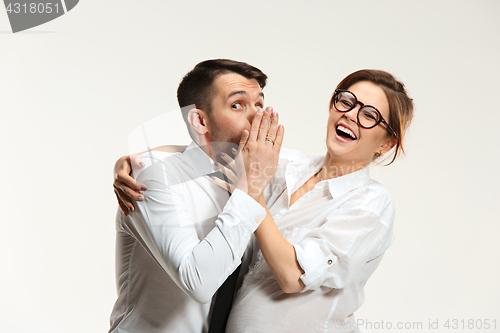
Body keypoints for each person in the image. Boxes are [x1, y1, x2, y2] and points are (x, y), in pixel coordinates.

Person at [114, 69, 414, 332]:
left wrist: (251, 189)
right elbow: (216, 151)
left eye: (369, 115)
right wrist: (136, 161)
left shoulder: (371, 203)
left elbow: (292, 276)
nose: (351, 115)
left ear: (386, 143)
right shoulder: (285, 167)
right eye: (346, 101)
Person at [108, 59, 285, 333]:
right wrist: (251, 187)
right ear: (200, 120)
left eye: (259, 105)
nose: (256, 118)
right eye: (237, 105)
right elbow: (198, 282)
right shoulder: (153, 176)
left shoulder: (261, 178)